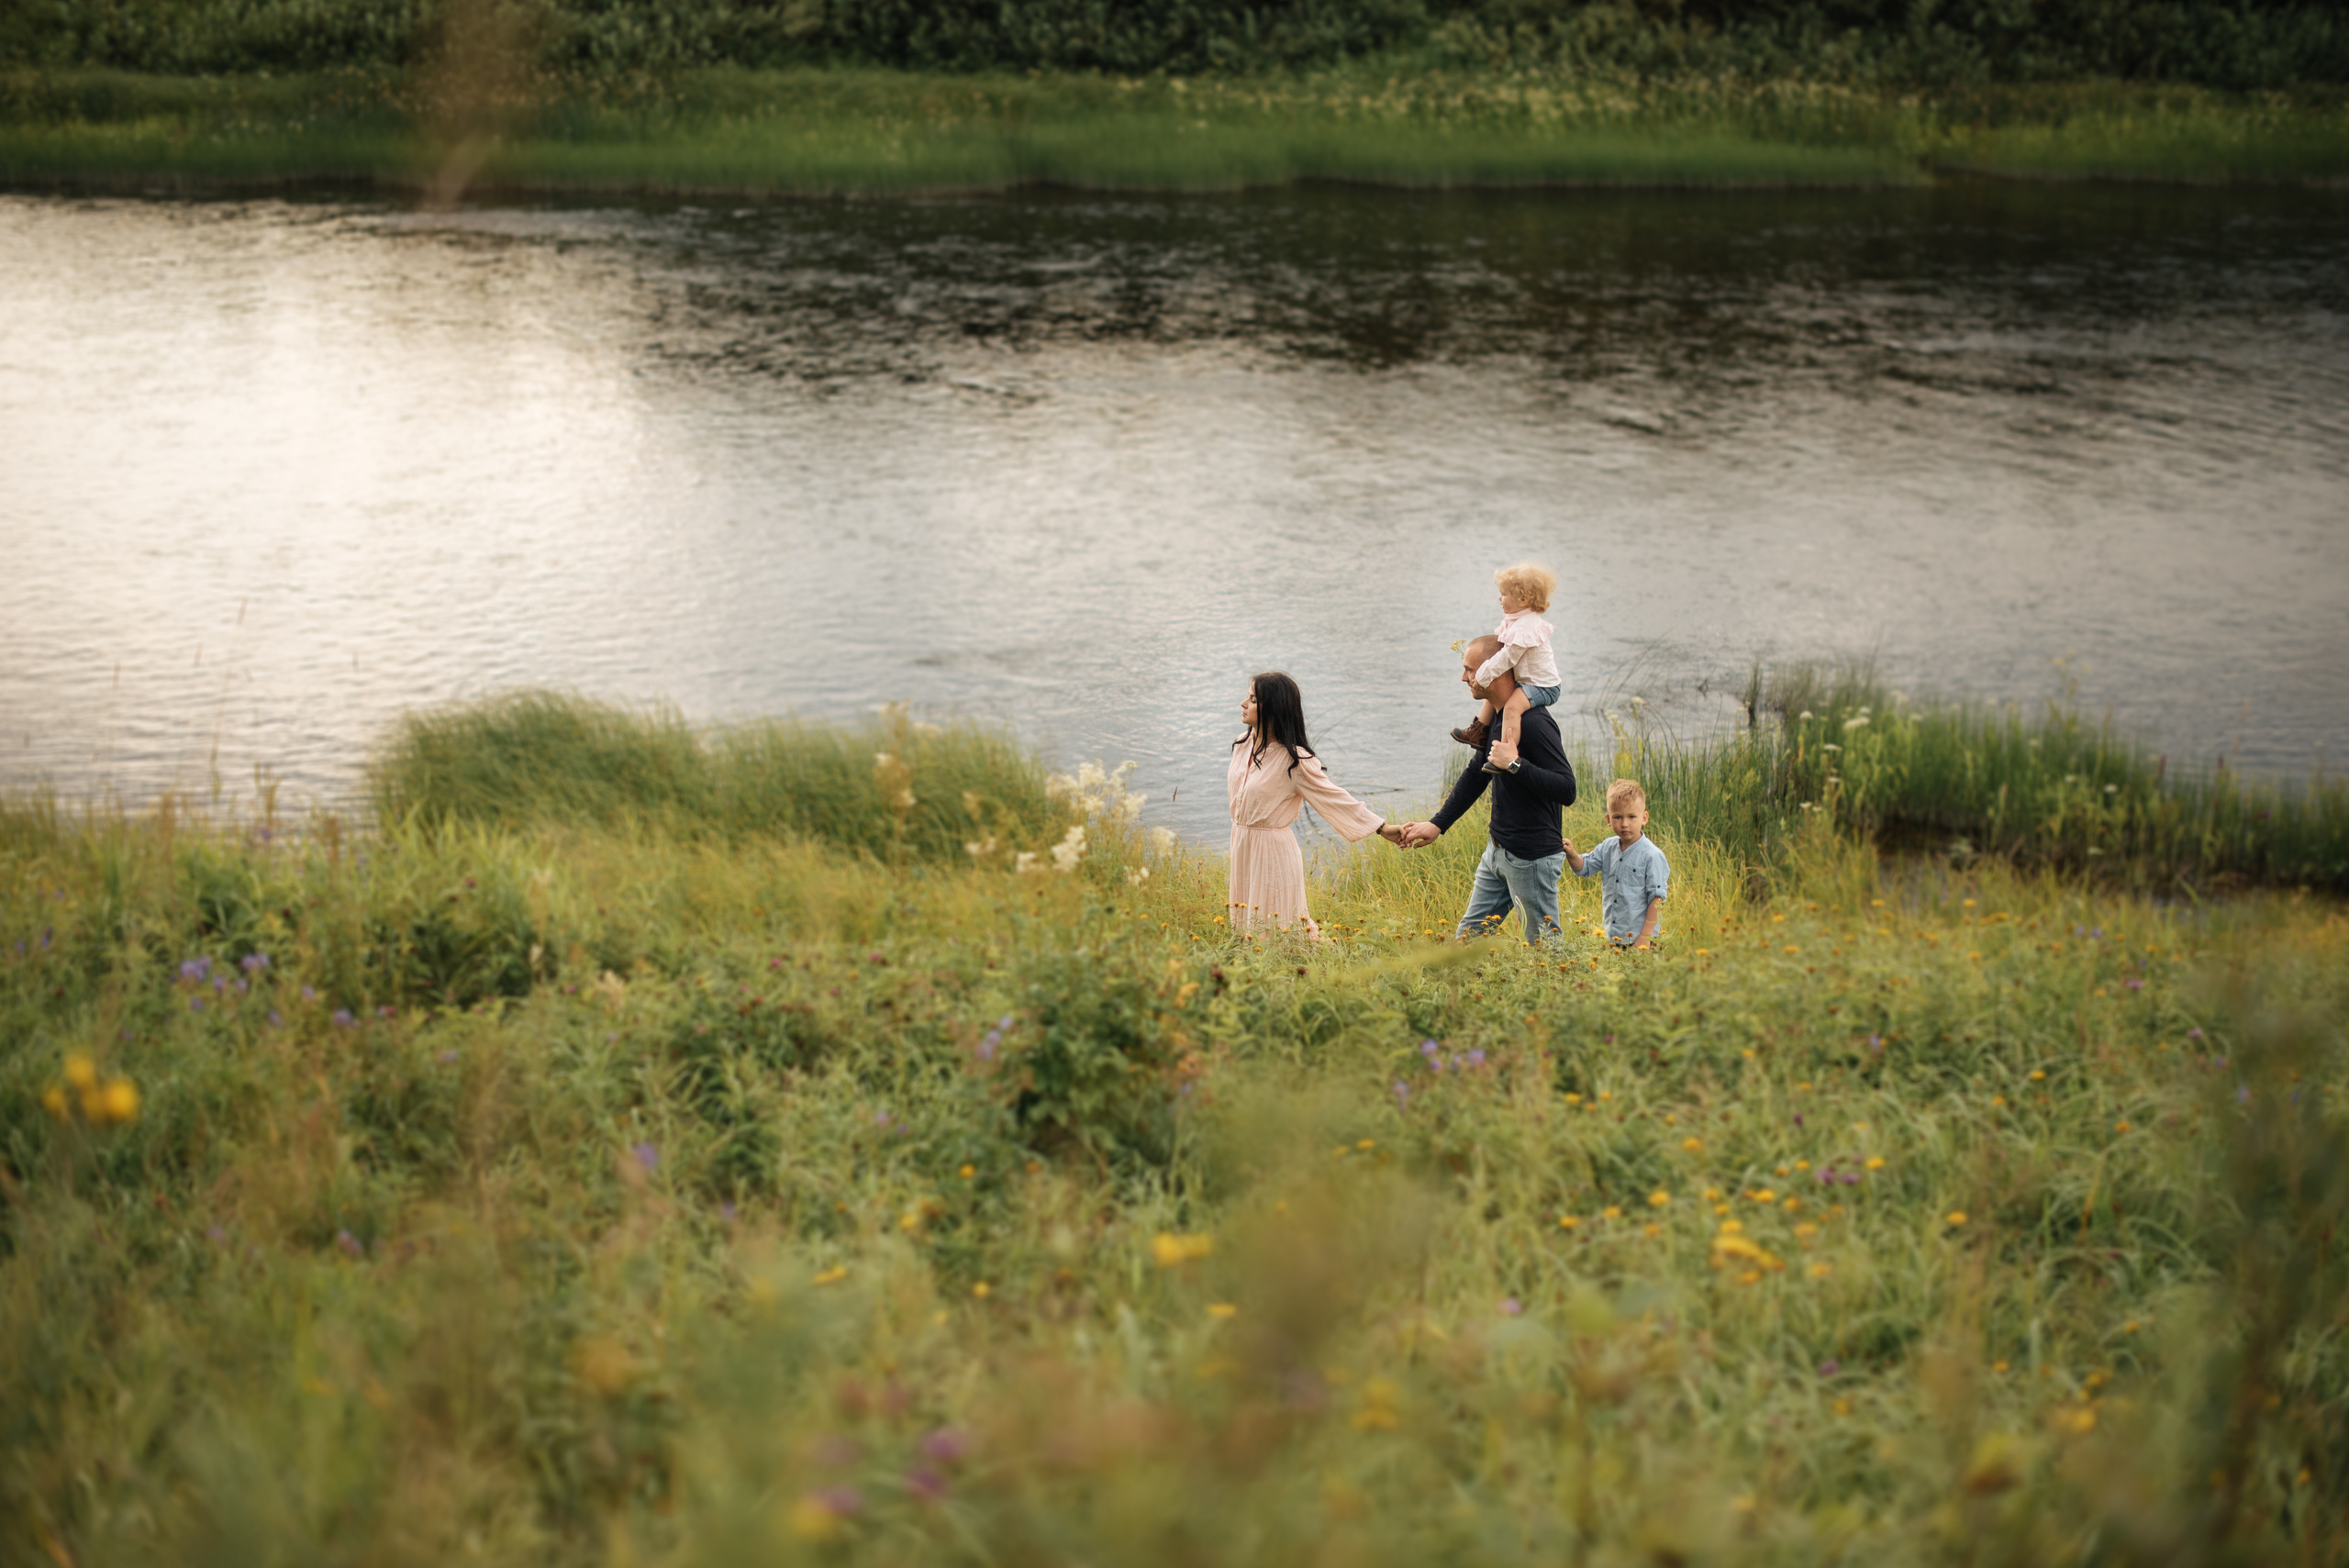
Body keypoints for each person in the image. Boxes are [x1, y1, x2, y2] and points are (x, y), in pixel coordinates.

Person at [1397, 638, 1578, 943]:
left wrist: (1515, 765)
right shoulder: (1498, 715)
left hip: (1531, 859)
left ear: (1495, 671)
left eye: (1470, 669)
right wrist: (1437, 824)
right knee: (1468, 940)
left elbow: (1567, 789)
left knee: (1546, 951)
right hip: (1497, 852)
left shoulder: (1534, 722)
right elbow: (1476, 773)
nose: (1464, 677)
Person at [1227, 672, 1402, 937]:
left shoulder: (1294, 760)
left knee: (1280, 928)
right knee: (1245, 927)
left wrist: (1382, 828)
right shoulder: (1242, 744)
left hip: (1272, 852)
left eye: (1252, 699)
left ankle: (1309, 960)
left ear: (1273, 708)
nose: (1243, 703)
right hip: (1242, 844)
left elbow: (1334, 798)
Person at [1449, 562, 1561, 774]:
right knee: (1492, 697)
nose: (1499, 599)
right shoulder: (1515, 622)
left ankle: (1507, 752)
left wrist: (1483, 675)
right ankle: (1480, 731)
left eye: (1504, 594)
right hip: (1528, 680)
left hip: (1543, 686)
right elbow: (1500, 649)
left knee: (1511, 708)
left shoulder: (1527, 626)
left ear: (1523, 599)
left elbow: (1507, 657)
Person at [1564, 779, 1670, 950]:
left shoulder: (1652, 855)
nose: (1624, 824)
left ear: (1644, 818)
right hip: (1613, 937)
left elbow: (1657, 899)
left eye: (1632, 817)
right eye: (1618, 817)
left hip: (1640, 940)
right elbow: (1584, 868)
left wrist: (1645, 937)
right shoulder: (1608, 847)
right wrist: (1571, 854)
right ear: (1608, 819)